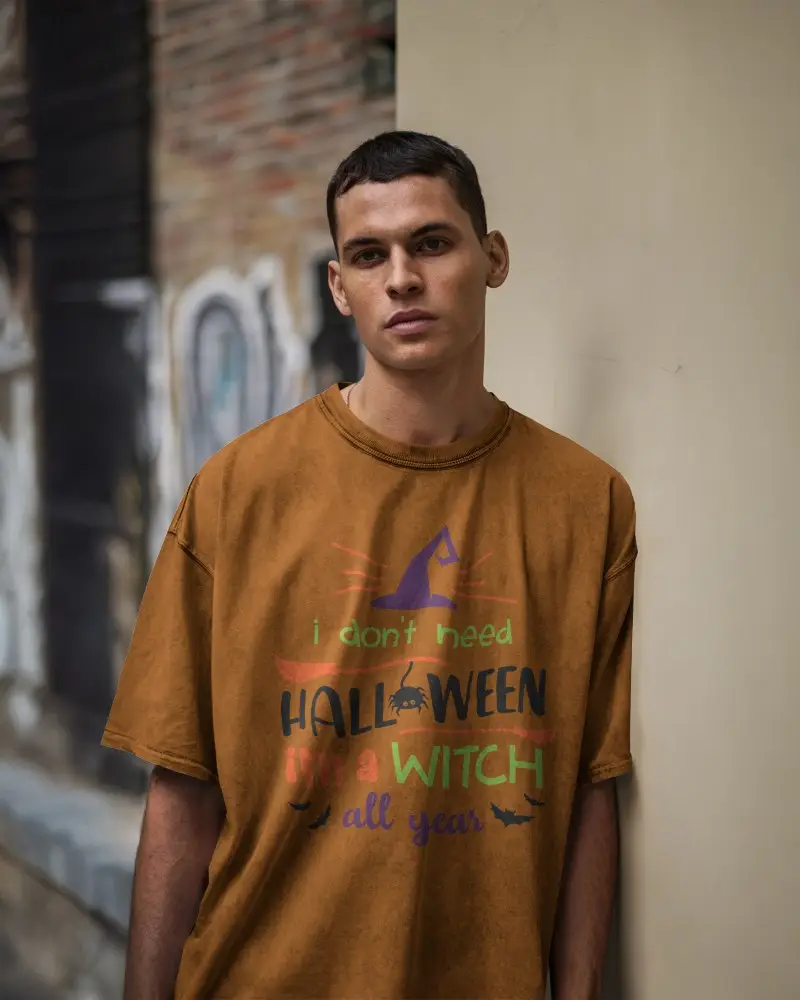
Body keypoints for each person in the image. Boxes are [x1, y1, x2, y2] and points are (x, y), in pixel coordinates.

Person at [103, 130, 637, 1000]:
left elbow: (589, 793)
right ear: (338, 288)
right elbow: (181, 792)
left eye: (431, 242)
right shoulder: (238, 492)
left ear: (492, 258)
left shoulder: (587, 502)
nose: (401, 278)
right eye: (367, 254)